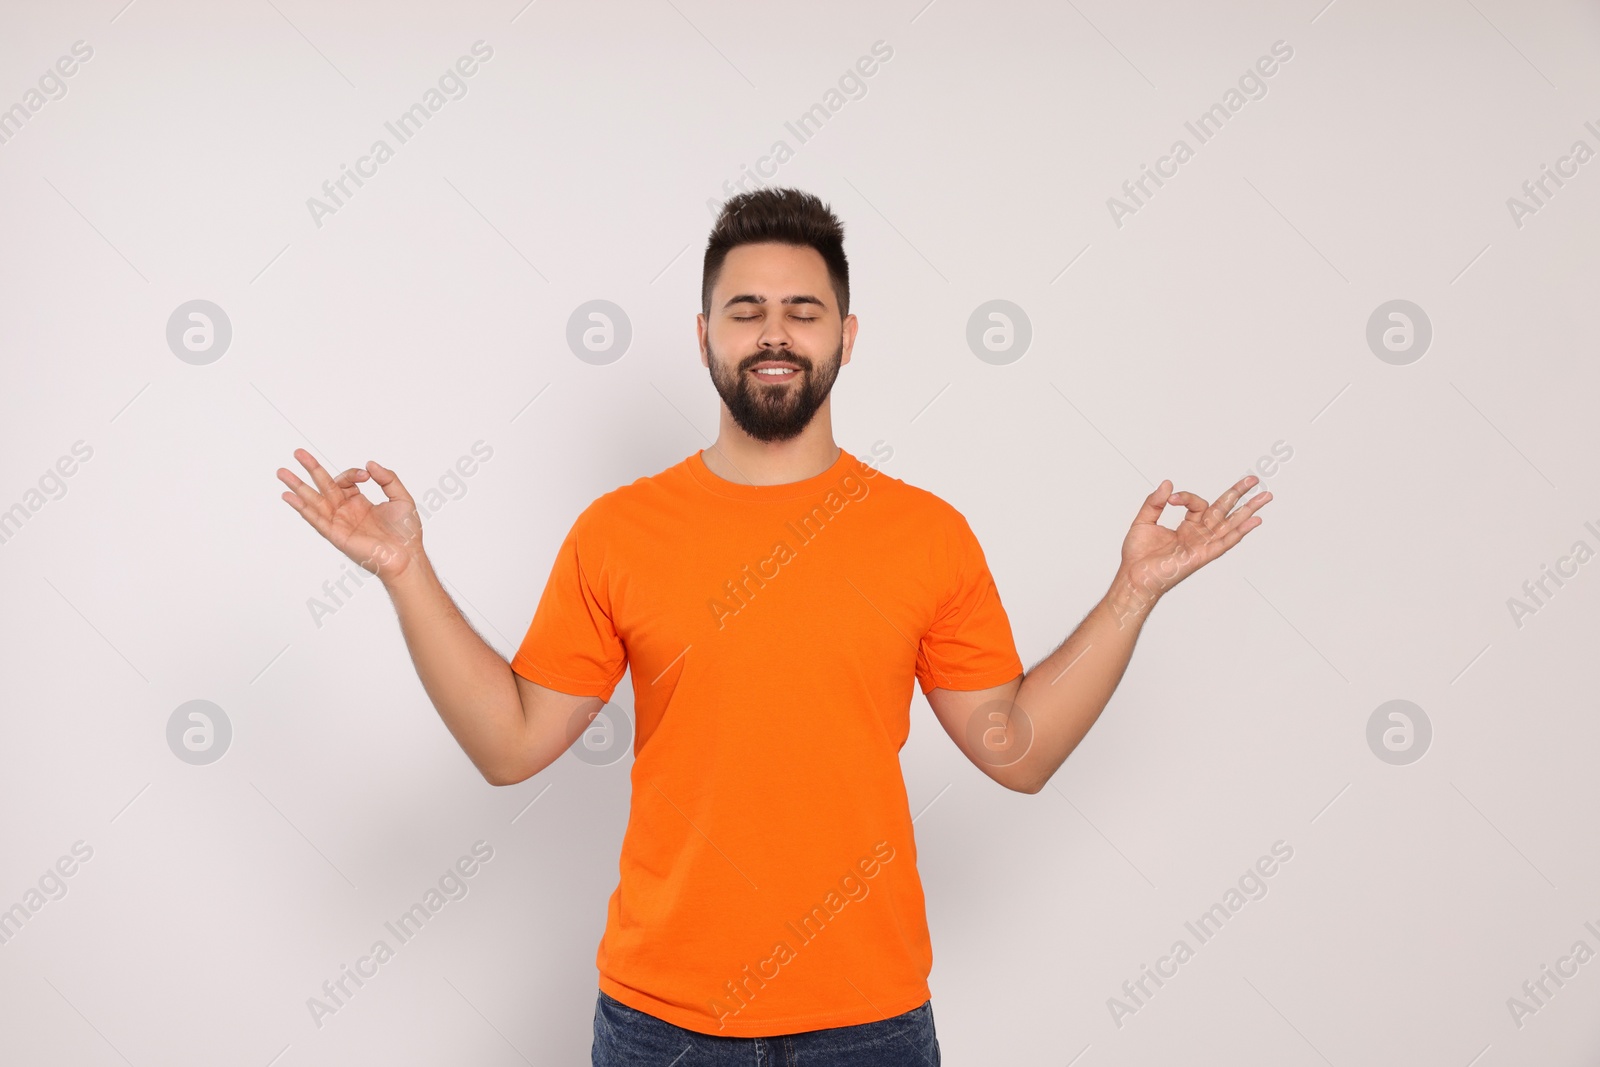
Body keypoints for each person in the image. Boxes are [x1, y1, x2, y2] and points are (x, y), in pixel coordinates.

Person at [277, 186, 1271, 1065]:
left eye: (803, 309)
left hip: (868, 1025)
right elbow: (510, 740)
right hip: (661, 1024)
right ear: (704, 333)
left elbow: (1014, 747)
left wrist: (1134, 588)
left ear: (846, 333)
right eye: (745, 309)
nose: (773, 331)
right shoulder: (619, 530)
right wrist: (406, 572)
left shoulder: (924, 534)